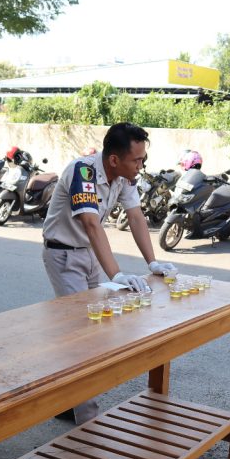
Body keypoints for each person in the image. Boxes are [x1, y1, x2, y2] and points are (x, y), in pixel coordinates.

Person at [42, 122, 178, 423]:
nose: (141, 165)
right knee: (84, 335)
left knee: (93, 330)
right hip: (63, 255)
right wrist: (116, 274)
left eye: (143, 159)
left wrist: (152, 262)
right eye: (136, 160)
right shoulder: (84, 172)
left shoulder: (125, 177)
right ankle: (87, 422)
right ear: (114, 159)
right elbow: (91, 224)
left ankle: (68, 400)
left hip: (89, 253)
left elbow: (136, 216)